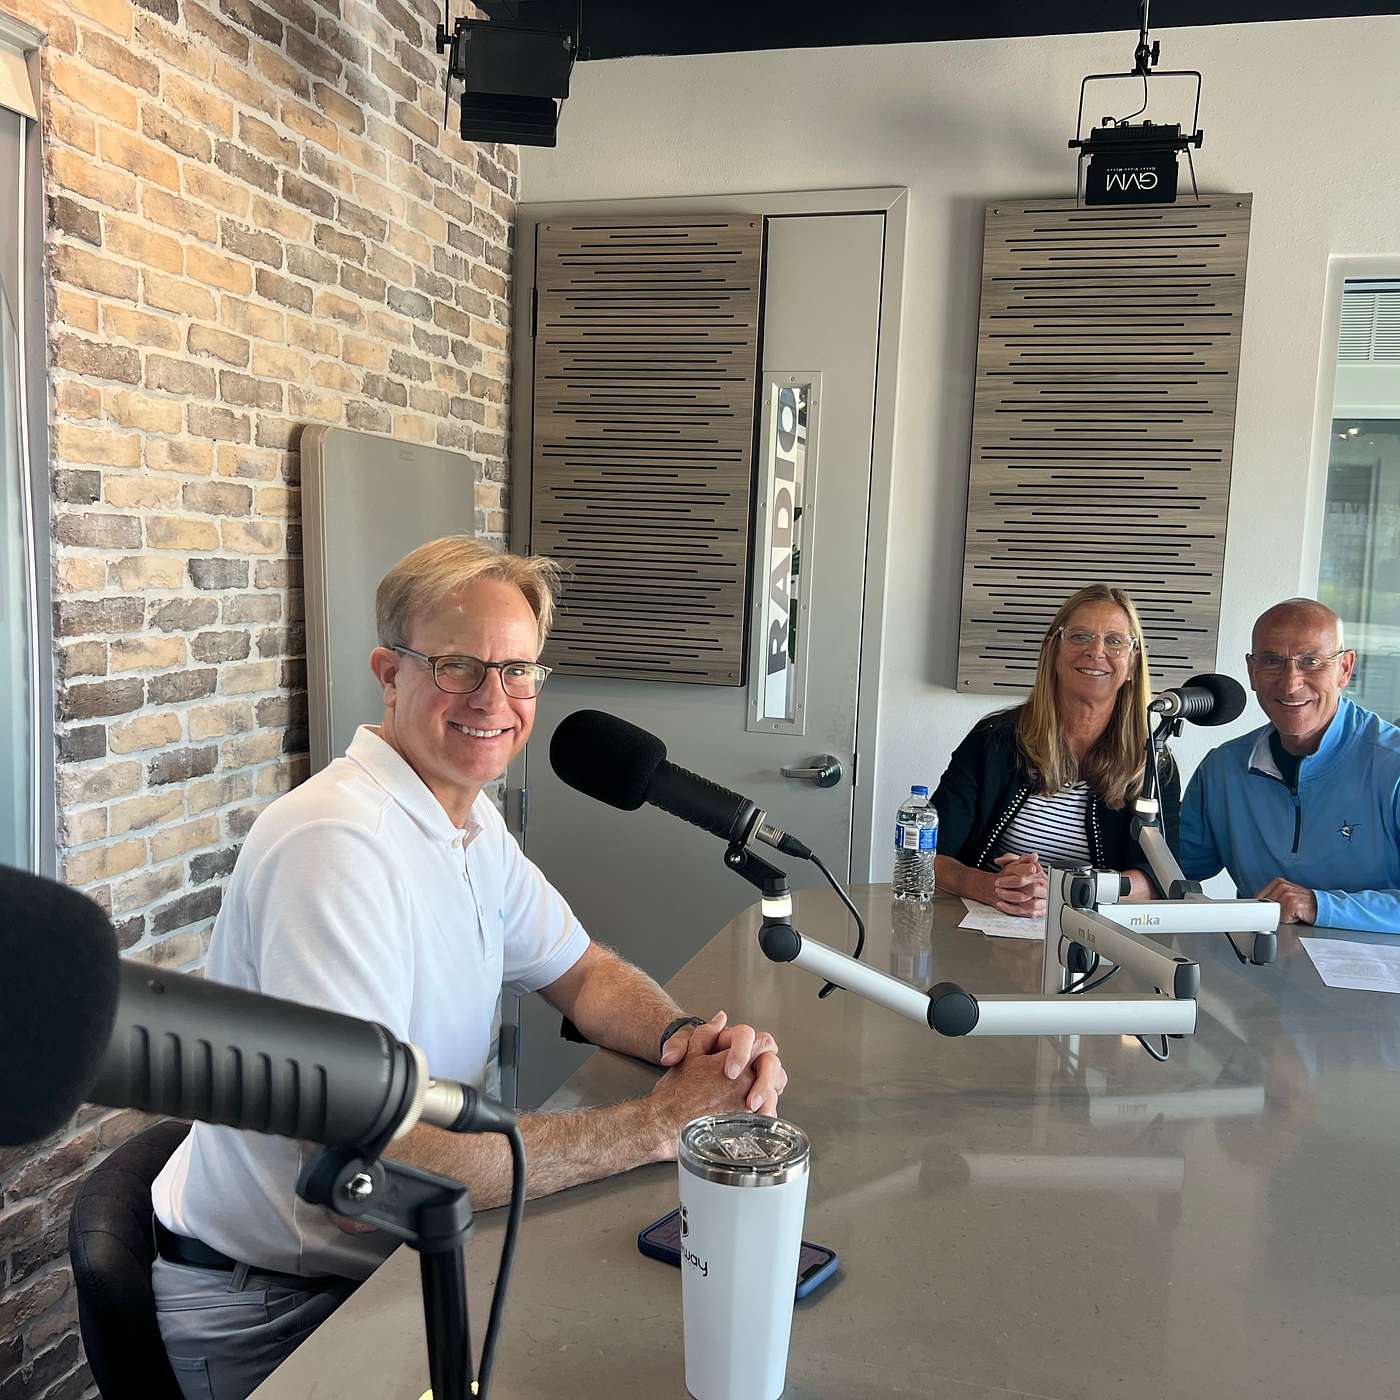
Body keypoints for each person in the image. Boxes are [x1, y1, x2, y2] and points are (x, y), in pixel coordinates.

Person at [149, 537, 787, 1398]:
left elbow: (584, 972)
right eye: (458, 666)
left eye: (518, 671)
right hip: (287, 1310)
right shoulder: (334, 844)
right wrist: (655, 1126)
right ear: (390, 674)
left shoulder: (469, 820)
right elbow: (370, 1167)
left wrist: (686, 1042)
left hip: (393, 1264)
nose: (494, 699)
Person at [932, 584, 1179, 918]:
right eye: (1080, 636)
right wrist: (989, 886)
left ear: (1133, 662)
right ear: (1051, 649)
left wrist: (1069, 889)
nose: (1096, 651)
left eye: (1114, 641)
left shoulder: (1152, 763)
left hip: (1097, 936)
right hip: (989, 926)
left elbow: (1159, 880)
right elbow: (927, 852)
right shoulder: (994, 740)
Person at [1179, 597, 1400, 930]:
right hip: (1258, 960)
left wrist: (1318, 905)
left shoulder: (1392, 766)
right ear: (1252, 672)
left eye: (1311, 661)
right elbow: (1173, 871)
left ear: (1344, 668)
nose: (1291, 682)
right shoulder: (1221, 771)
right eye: (1272, 661)